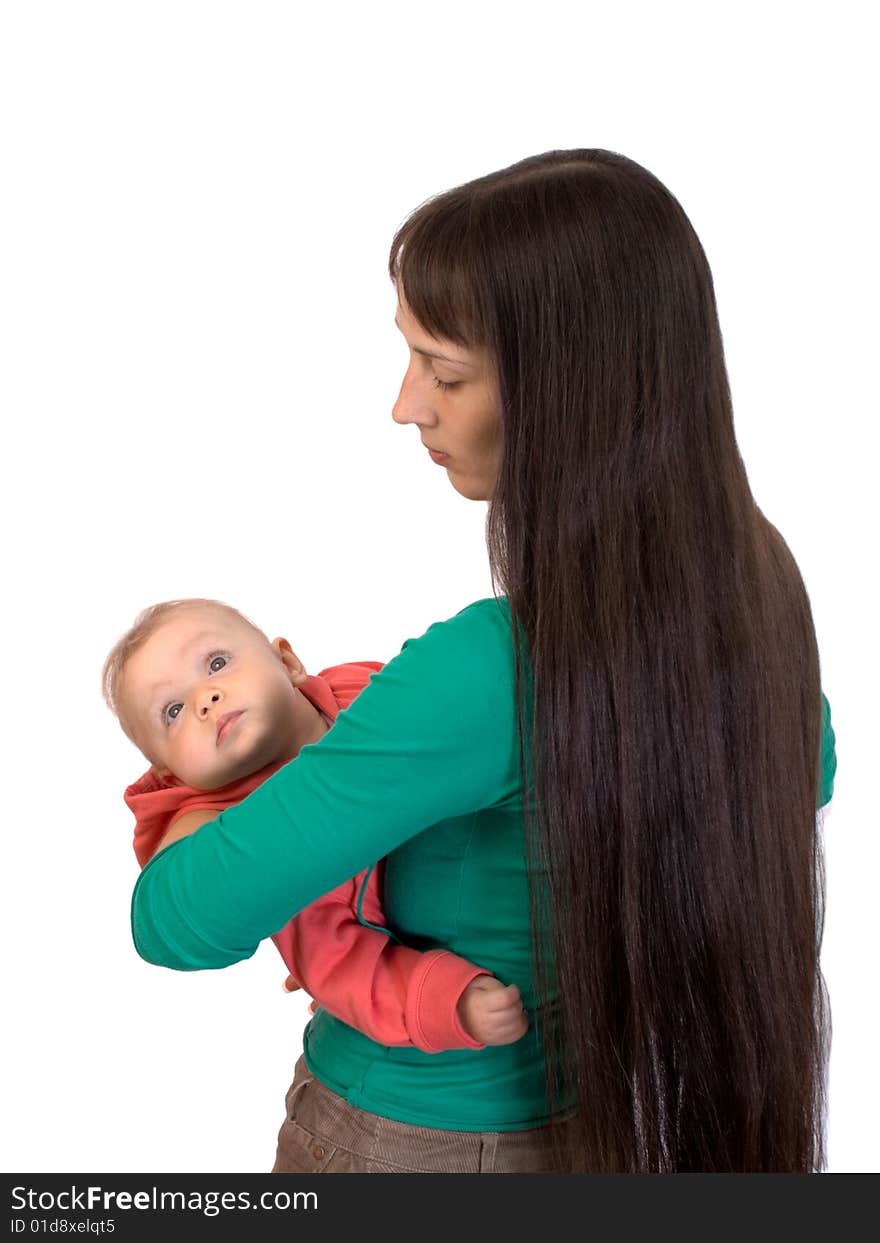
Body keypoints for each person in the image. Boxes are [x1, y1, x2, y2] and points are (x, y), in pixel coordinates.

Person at [130, 149, 838, 1173]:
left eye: (444, 369)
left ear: (567, 392)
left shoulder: (483, 674)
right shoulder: (758, 602)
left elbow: (176, 924)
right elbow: (802, 774)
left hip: (407, 1147)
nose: (405, 402)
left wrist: (199, 814)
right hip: (605, 1135)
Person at [105, 597, 528, 1052]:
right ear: (169, 772)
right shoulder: (249, 844)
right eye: (172, 711)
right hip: (390, 1085)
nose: (203, 700)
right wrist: (449, 1001)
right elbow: (342, 970)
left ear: (286, 661)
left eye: (217, 662)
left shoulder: (362, 689)